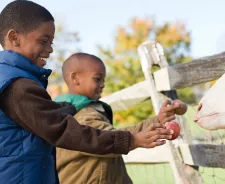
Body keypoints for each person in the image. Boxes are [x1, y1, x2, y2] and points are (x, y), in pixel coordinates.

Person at [0, 1, 176, 183]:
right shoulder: (18, 86)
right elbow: (64, 130)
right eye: (43, 41)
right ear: (14, 38)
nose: (50, 49)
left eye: (51, 43)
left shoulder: (9, 79)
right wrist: (131, 140)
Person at [55, 53, 179, 184]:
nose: (102, 84)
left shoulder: (80, 112)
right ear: (75, 78)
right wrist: (138, 138)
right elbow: (110, 140)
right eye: (97, 79)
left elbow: (115, 136)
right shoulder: (82, 116)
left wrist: (157, 121)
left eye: (103, 80)